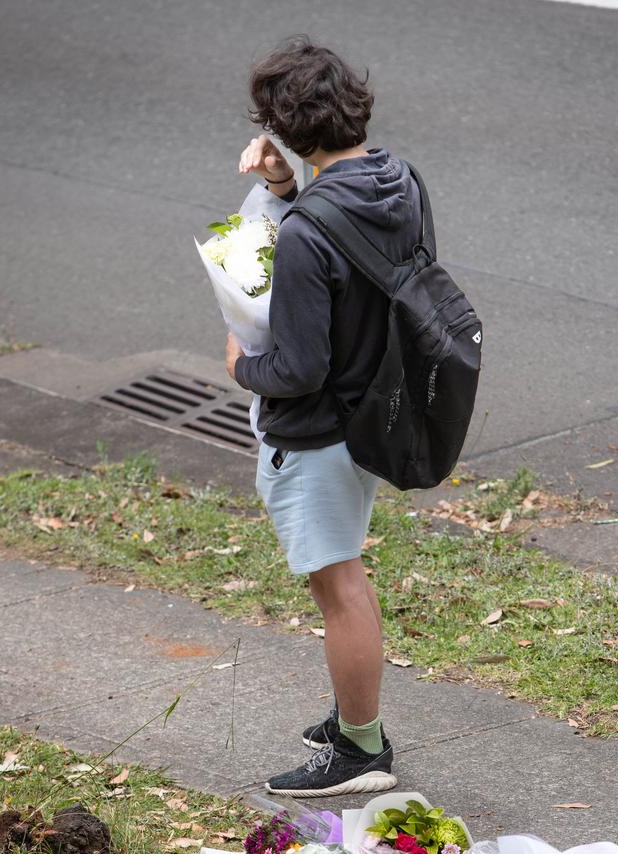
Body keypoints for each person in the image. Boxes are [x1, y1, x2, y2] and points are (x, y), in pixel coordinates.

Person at [225, 36, 421, 797]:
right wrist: (283, 187)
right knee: (348, 576)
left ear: (283, 128)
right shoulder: (395, 179)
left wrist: (241, 366)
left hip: (320, 432)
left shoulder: (308, 232)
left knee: (340, 588)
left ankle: (360, 751)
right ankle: (354, 720)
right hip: (378, 408)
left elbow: (297, 367)